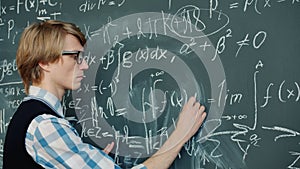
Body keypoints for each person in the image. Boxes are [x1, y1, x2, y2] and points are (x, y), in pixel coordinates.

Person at [3, 20, 207, 169]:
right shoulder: (44, 125)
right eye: (76, 57)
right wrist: (180, 136)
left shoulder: (33, 115)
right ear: (45, 62)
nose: (85, 65)